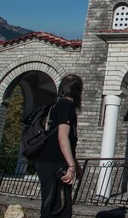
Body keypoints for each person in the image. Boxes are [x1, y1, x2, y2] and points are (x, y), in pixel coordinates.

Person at [36, 74, 84, 218]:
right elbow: (62, 137)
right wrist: (71, 167)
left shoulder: (56, 105)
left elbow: (66, 141)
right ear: (78, 90)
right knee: (58, 210)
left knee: (52, 205)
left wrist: (76, 165)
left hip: (48, 162)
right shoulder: (66, 105)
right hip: (55, 164)